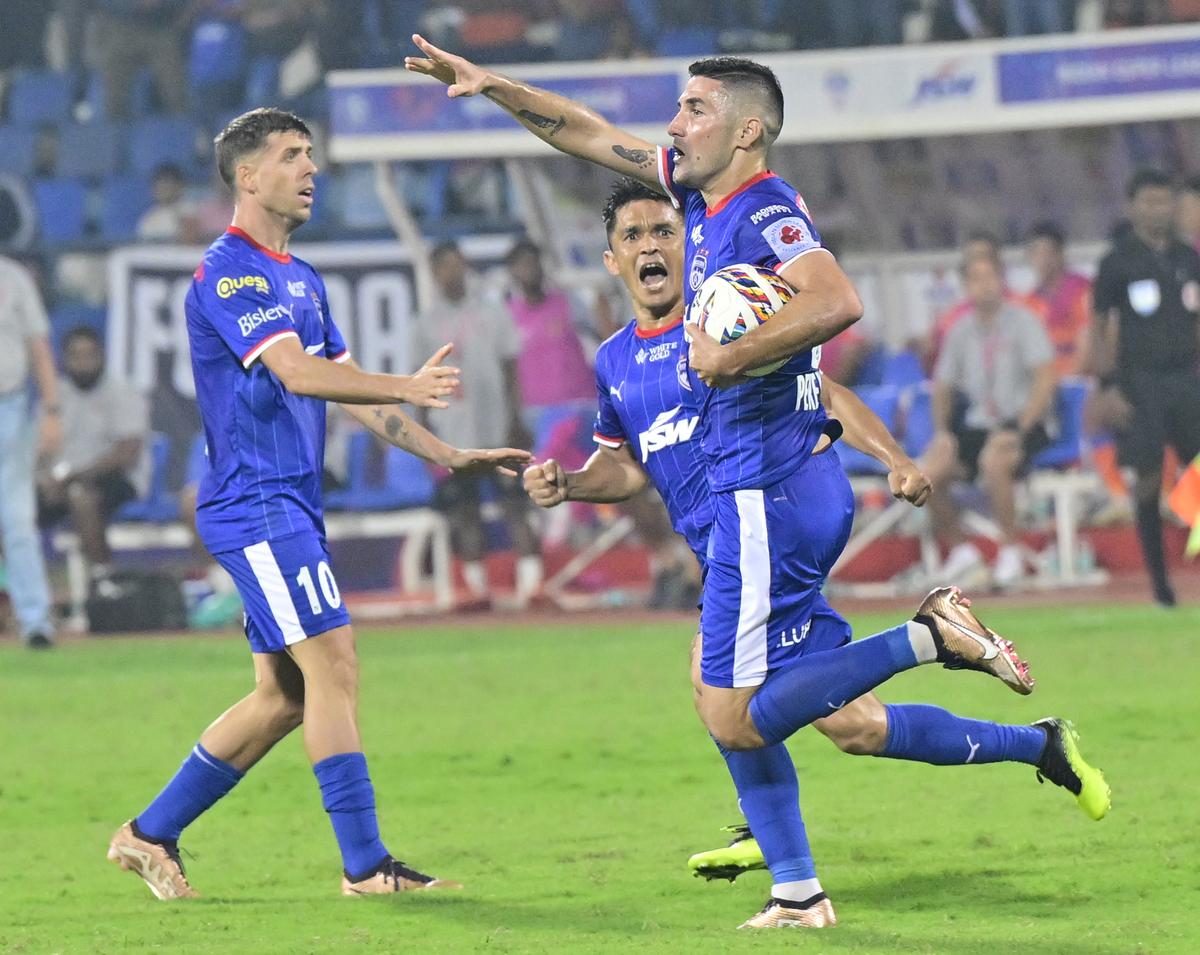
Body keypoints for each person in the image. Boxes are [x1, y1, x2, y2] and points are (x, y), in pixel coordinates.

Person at [406, 40, 1104, 930]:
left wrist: (727, 357)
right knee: (842, 721)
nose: (674, 124)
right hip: (768, 498)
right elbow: (586, 135)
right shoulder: (677, 247)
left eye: (694, 109)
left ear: (748, 131)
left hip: (764, 492)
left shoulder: (762, 210)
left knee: (731, 715)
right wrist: (491, 86)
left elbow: (837, 301)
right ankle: (830, 869)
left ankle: (926, 640)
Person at [524, 177, 1111, 917]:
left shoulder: (734, 319)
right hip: (740, 553)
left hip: (770, 527)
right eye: (633, 237)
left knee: (723, 702)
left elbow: (824, 394)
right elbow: (623, 461)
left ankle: (797, 862)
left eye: (662, 232)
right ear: (612, 260)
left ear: (686, 243)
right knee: (856, 724)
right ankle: (1038, 745)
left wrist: (896, 458)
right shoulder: (613, 360)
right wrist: (569, 484)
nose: (650, 246)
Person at [105, 107, 530, 900]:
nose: (311, 169)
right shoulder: (229, 272)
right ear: (247, 174)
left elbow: (353, 394)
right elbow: (299, 375)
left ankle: (148, 832)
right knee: (334, 661)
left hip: (289, 505)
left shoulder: (301, 278)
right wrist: (403, 380)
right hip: (256, 504)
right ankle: (366, 866)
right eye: (293, 155)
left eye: (312, 155)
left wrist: (449, 455)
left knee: (286, 695)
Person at [412, 240, 543, 608]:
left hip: (496, 426)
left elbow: (510, 367)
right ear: (435, 273)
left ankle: (531, 585)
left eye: (458, 265)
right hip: (453, 433)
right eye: (446, 266)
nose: (454, 273)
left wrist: (517, 417)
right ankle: (476, 589)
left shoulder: (492, 313)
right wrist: (423, 433)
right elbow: (419, 383)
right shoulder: (425, 325)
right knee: (464, 510)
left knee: (515, 504)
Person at [1091, 168, 1200, 606]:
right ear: (1133, 206)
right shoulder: (1117, 261)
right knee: (1149, 481)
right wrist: (1107, 385)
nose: (1159, 209)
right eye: (1150, 201)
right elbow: (1099, 326)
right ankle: (1161, 585)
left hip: (1187, 381)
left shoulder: (1188, 258)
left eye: (1165, 200)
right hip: (1139, 385)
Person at [922, 252, 1058, 589]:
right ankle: (962, 552)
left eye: (990, 277)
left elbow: (1045, 378)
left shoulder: (1024, 321)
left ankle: (1010, 550)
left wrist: (1019, 429)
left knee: (995, 460)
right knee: (927, 472)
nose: (984, 286)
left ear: (1002, 280)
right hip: (979, 425)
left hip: (1027, 423)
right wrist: (942, 433)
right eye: (976, 279)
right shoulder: (959, 331)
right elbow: (943, 387)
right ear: (965, 286)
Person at [37, 326, 150, 587]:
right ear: (63, 359)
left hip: (118, 479)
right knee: (14, 508)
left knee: (82, 497)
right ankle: (19, 592)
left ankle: (103, 580)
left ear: (102, 355)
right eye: (76, 355)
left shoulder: (122, 391)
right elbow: (40, 449)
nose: (84, 362)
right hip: (61, 481)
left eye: (90, 355)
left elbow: (127, 453)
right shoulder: (55, 396)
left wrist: (72, 478)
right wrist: (44, 479)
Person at [0, 254, 61, 649]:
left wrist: (52, 410)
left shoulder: (12, 276)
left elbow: (38, 345)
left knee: (18, 521)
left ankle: (36, 621)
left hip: (11, 409)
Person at [136, 163, 198, 243]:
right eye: (160, 183)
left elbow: (189, 240)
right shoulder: (150, 216)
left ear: (180, 186)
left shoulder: (189, 210)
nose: (163, 188)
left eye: (167, 183)